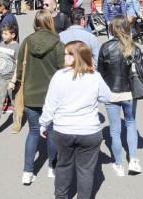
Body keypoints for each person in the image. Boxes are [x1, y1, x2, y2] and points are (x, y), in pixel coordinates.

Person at [39, 41, 111, 199]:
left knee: (63, 165)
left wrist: (44, 124)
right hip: (89, 131)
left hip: (64, 130)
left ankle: (60, 196)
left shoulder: (59, 76)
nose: (64, 57)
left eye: (66, 54)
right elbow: (106, 96)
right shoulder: (95, 77)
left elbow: (50, 104)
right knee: (86, 171)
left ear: (74, 57)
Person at [8, 10, 64, 185]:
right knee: (53, 132)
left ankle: (27, 171)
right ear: (50, 22)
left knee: (33, 132)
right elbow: (63, 70)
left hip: (30, 94)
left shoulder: (26, 42)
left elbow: (19, 72)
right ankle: (52, 168)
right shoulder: (58, 43)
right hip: (52, 97)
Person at [98, 15, 143, 176]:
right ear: (127, 28)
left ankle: (118, 165)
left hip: (111, 93)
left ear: (112, 29)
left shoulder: (105, 47)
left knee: (115, 130)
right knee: (131, 123)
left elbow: (101, 73)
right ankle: (132, 159)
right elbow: (142, 72)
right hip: (130, 92)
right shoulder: (134, 47)